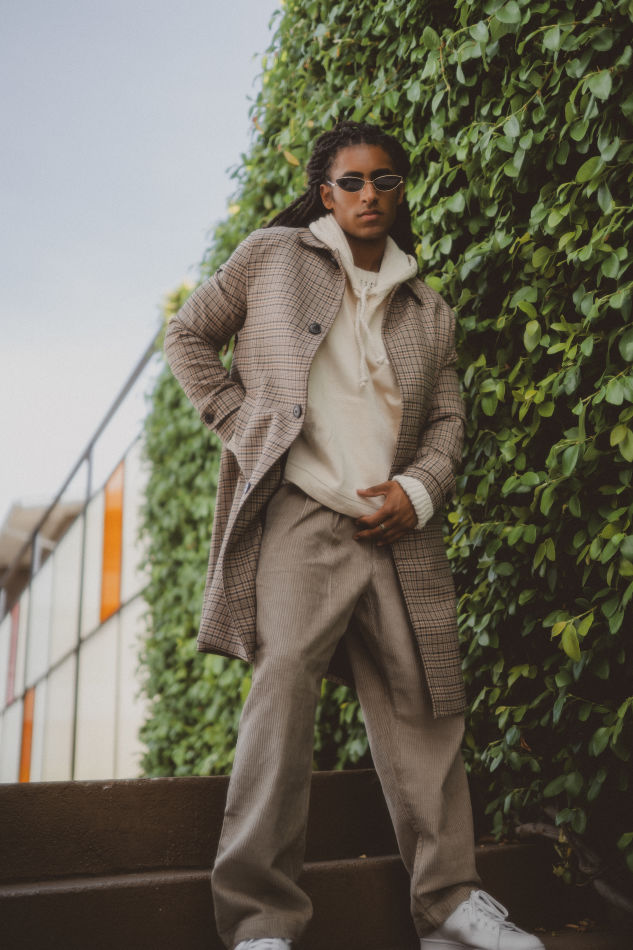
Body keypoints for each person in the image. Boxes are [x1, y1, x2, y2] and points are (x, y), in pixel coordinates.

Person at [164, 120, 544, 950]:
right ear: (325, 193)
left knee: (424, 707)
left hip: (398, 529)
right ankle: (259, 920)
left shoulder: (427, 308)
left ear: (399, 192)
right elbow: (187, 335)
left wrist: (420, 490)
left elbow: (447, 421)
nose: (369, 194)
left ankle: (448, 906)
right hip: (301, 511)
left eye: (384, 180)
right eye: (352, 182)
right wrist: (241, 423)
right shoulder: (271, 257)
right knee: (281, 689)